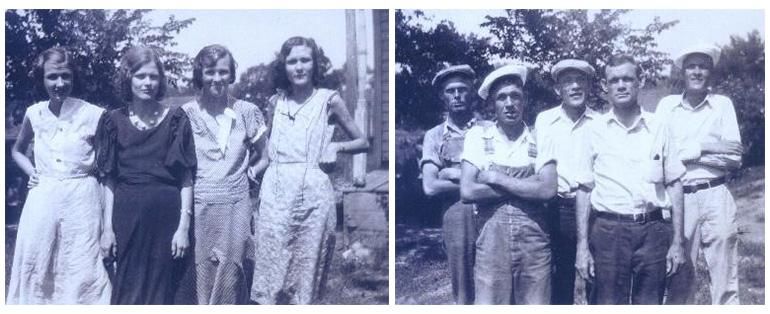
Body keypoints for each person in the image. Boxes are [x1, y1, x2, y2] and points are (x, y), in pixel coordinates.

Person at [249, 36, 369, 304]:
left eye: (305, 60)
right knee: (272, 273)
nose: (299, 67)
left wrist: (336, 147)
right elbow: (267, 154)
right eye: (292, 61)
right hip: (276, 194)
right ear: (284, 66)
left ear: (315, 64)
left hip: (313, 197)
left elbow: (362, 141)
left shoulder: (329, 100)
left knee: (306, 275)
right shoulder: (275, 103)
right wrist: (250, 170)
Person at [574, 54, 686, 304]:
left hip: (653, 231)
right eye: (614, 80)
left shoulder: (660, 126)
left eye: (627, 78)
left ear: (640, 81)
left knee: (650, 303)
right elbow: (583, 190)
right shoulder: (593, 130)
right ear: (605, 86)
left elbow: (675, 184)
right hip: (607, 232)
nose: (621, 85)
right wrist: (582, 248)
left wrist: (677, 242)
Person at [7, 47, 111, 304]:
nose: (60, 83)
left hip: (82, 199)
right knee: (39, 262)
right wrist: (32, 172)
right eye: (52, 77)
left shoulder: (93, 114)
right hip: (43, 198)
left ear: (74, 78)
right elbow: (17, 150)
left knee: (82, 265)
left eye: (66, 76)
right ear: (41, 79)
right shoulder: (35, 113)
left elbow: (107, 166)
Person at [95, 46, 197, 304]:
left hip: (167, 219)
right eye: (141, 76)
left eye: (153, 76)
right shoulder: (112, 121)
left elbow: (186, 178)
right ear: (128, 77)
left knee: (166, 293)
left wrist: (183, 228)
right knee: (128, 292)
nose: (148, 83)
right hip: (127, 218)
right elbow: (108, 180)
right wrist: (107, 229)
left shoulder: (176, 119)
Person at [460, 64, 558, 304]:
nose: (509, 103)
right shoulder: (478, 137)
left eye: (515, 96)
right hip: (491, 244)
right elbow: (468, 190)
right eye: (501, 97)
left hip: (534, 244)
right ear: (492, 104)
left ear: (524, 101)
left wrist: (496, 178)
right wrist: (528, 184)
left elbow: (547, 189)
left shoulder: (540, 136)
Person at [180, 44, 267, 304]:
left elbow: (266, 155)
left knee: (233, 271)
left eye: (223, 71)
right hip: (200, 204)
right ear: (200, 74)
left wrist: (251, 173)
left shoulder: (247, 111)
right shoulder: (186, 114)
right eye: (210, 72)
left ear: (231, 74)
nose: (217, 78)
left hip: (237, 205)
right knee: (202, 272)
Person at [659, 45, 742, 305]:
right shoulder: (667, 106)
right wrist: (707, 146)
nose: (697, 71)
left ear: (710, 72)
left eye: (703, 66)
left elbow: (734, 158)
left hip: (717, 194)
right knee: (679, 277)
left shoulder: (722, 105)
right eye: (691, 66)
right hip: (680, 198)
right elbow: (661, 156)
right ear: (682, 72)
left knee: (726, 276)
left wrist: (685, 151)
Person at [533, 59, 596, 304]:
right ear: (558, 89)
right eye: (568, 81)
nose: (575, 86)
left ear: (589, 86)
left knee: (594, 275)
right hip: (555, 208)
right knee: (558, 279)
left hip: (592, 209)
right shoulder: (544, 121)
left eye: (580, 80)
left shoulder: (600, 122)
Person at [419, 64, 479, 304]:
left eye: (462, 90)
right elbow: (430, 186)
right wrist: (473, 181)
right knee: (463, 287)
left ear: (471, 93)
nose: (457, 96)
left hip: (492, 212)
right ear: (442, 97)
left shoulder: (489, 130)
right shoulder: (434, 135)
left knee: (495, 281)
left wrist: (450, 173)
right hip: (457, 215)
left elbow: (503, 176)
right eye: (450, 91)